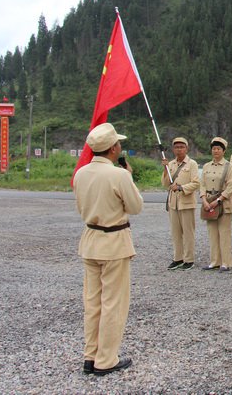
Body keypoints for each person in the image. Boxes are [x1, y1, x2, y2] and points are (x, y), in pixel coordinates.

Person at [74, 123, 143, 375]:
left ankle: (90, 355)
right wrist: (129, 177)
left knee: (92, 302)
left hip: (90, 239)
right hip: (113, 243)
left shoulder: (81, 173)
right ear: (114, 148)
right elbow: (135, 206)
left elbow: (80, 207)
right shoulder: (119, 175)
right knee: (113, 303)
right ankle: (106, 359)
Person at [161, 137, 200, 271]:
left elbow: (196, 183)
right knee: (175, 232)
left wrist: (181, 188)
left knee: (188, 232)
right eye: (176, 147)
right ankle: (178, 258)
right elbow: (165, 184)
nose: (179, 149)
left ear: (186, 148)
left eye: (181, 147)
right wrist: (165, 169)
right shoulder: (170, 164)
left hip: (186, 202)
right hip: (173, 203)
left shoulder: (192, 164)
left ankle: (189, 259)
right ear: (173, 149)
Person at [199, 137, 232, 272]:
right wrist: (204, 199)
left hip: (223, 203)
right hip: (209, 203)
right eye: (214, 148)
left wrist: (219, 200)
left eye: (218, 149)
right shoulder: (206, 166)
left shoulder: (229, 166)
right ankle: (214, 261)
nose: (216, 151)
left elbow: (231, 186)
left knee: (224, 233)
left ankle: (226, 262)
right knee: (212, 233)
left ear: (224, 151)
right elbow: (202, 184)